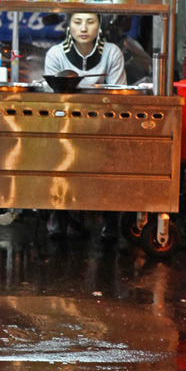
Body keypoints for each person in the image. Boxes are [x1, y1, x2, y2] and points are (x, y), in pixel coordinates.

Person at [43, 13, 126, 239]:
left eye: (90, 22)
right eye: (77, 22)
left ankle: (110, 218)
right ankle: (57, 213)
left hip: (102, 126)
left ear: (99, 24)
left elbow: (117, 96)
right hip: (64, 125)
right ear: (68, 25)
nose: (84, 28)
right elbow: (53, 100)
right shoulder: (56, 54)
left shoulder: (112, 53)